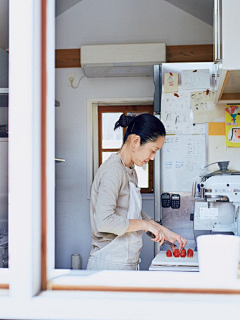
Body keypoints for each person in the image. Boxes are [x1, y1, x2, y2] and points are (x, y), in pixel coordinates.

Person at [87, 113, 187, 270]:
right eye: (153, 150)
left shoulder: (130, 171)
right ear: (135, 141)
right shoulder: (113, 171)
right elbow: (104, 221)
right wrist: (145, 226)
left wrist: (163, 231)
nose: (153, 157)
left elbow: (134, 214)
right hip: (108, 265)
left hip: (126, 262)